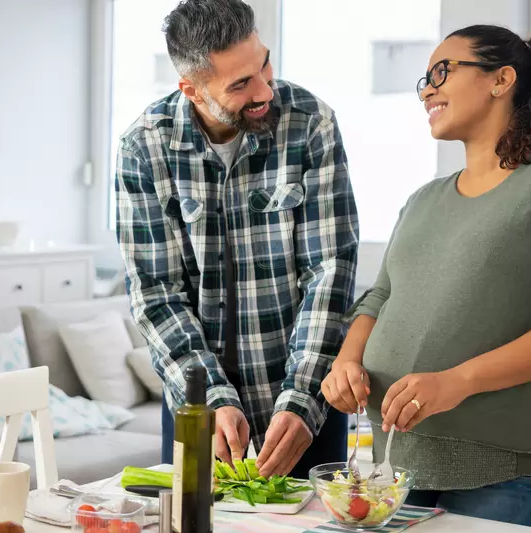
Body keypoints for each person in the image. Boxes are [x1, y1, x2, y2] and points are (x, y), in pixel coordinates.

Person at [321, 24, 531, 530]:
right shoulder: (423, 199)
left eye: (442, 71)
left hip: (507, 469)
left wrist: (457, 382)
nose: (427, 89)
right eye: (424, 80)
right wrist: (346, 363)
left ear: (501, 79)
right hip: (396, 464)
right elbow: (381, 297)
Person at [115, 0, 359, 480]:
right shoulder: (143, 147)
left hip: (307, 405)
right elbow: (157, 294)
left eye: (264, 63)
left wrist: (302, 400)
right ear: (191, 88)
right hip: (198, 407)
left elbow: (330, 271)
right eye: (241, 83)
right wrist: (210, 400)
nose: (266, 89)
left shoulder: (311, 121)